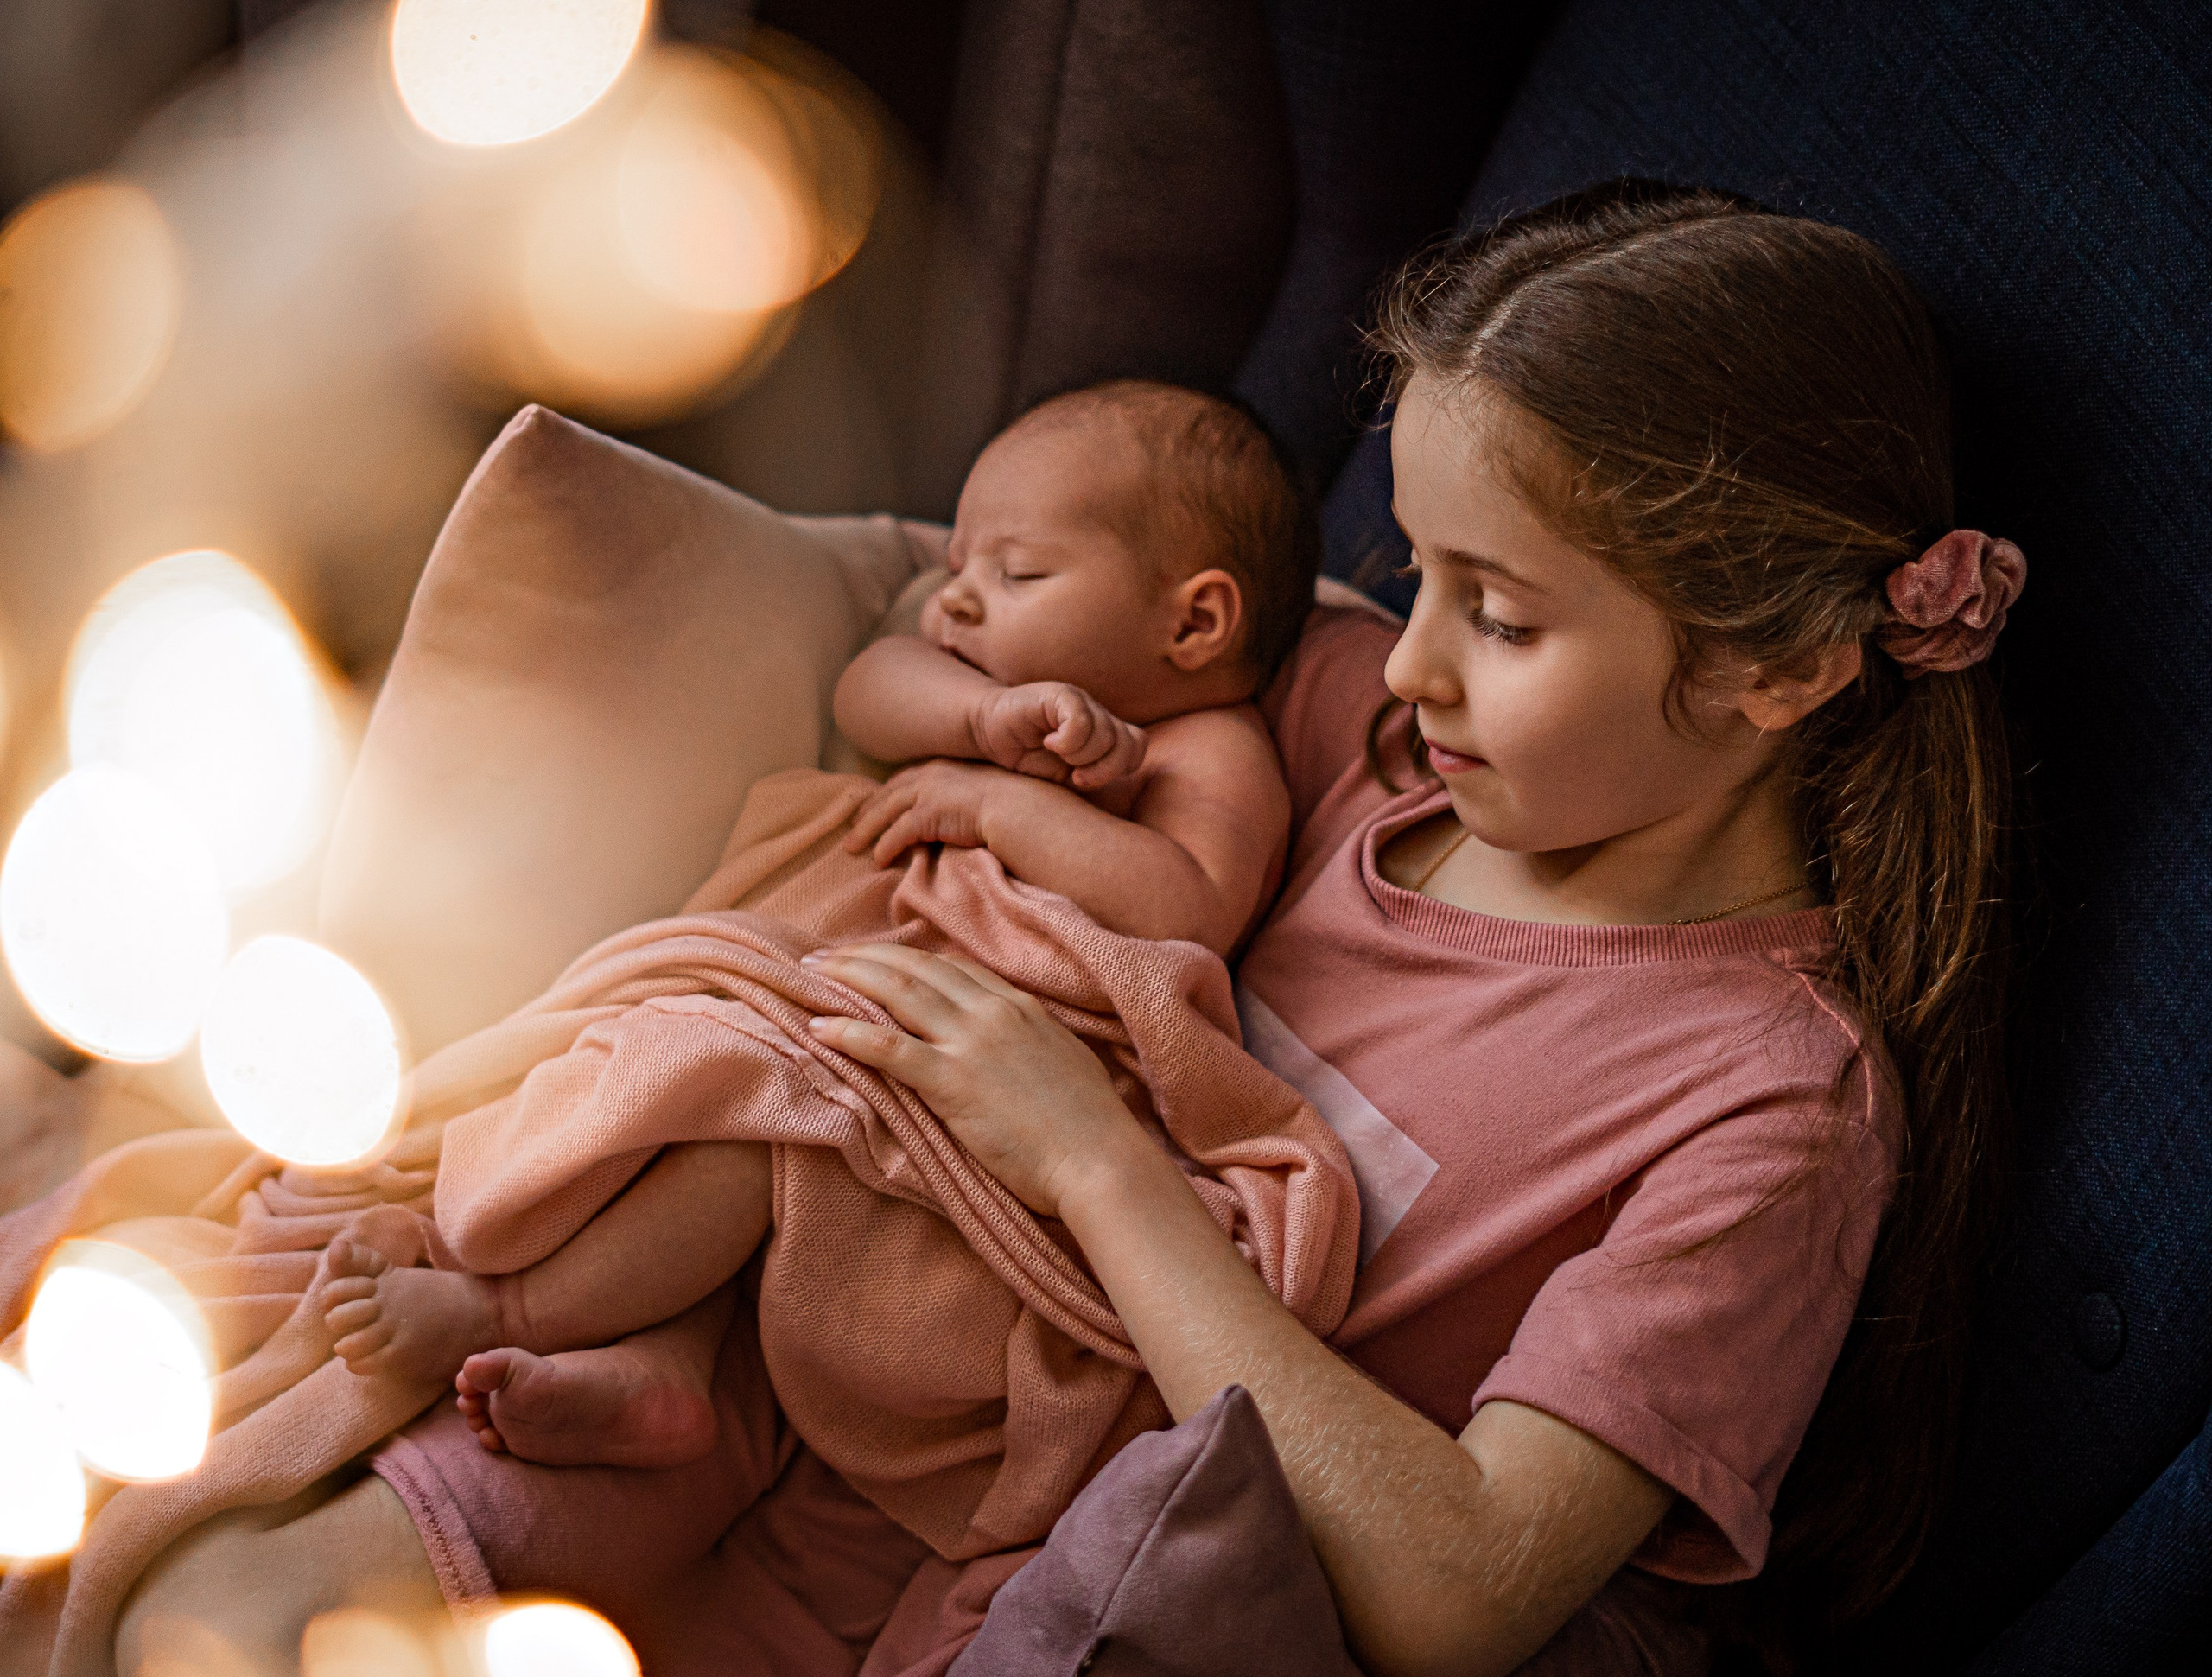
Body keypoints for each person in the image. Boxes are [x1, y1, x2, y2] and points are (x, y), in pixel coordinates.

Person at [118, 183, 2023, 1677]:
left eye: (1499, 617)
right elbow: (1021, 624)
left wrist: (1081, 1149)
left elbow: (1460, 1590)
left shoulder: (1770, 1117)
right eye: (1419, 570)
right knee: (216, 1615)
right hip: (779, 1355)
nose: (1409, 653)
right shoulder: (1368, 731)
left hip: (1042, 1549)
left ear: (1772, 660)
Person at [305, 378, 1317, 1467]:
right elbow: (866, 693)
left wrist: (998, 803)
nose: (958, 599)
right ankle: (666, 1364)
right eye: (959, 564)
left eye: (1016, 572)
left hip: (964, 1055)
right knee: (678, 1067)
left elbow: (1190, 906)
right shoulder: (958, 666)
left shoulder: (1211, 749)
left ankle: (515, 1311)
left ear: (1195, 620)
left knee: (771, 1109)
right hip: (831, 970)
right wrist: (977, 719)